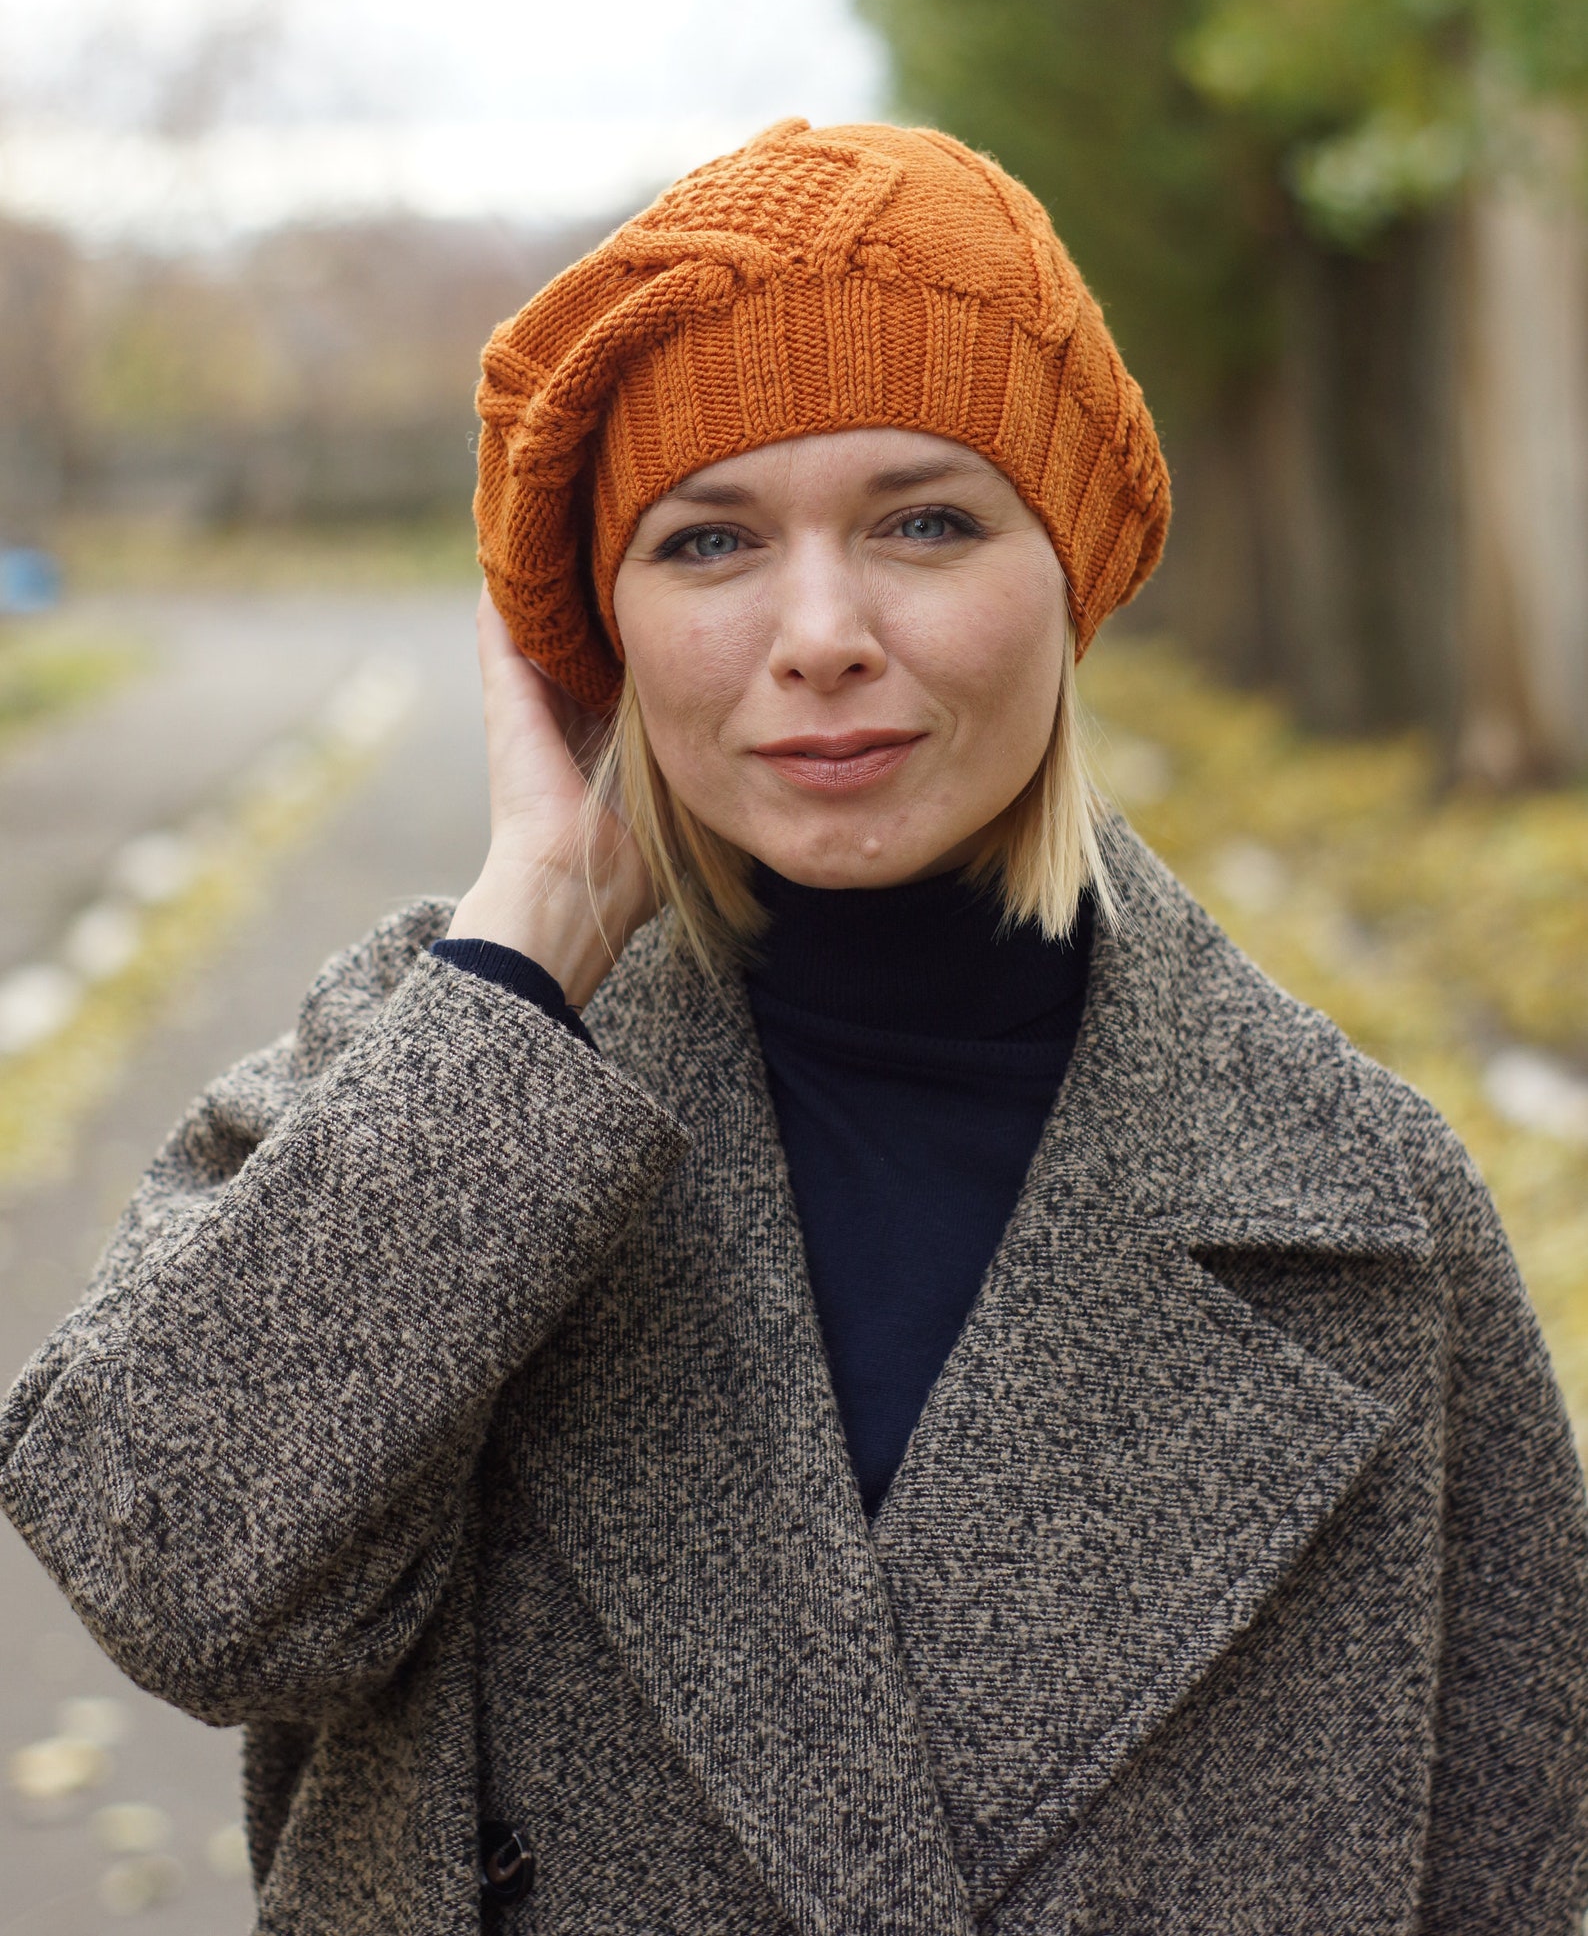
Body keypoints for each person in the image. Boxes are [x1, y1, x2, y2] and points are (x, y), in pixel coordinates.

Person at [2, 119, 1584, 1936]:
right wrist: (542, 915)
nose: (821, 629)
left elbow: (1522, 1861)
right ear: (602, 625)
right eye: (710, 540)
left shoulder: (1360, 1214)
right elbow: (168, 1567)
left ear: (1066, 572)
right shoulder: (432, 1074)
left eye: (925, 519)